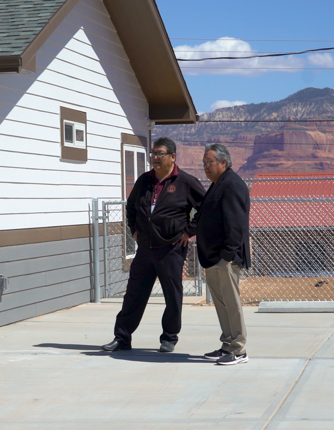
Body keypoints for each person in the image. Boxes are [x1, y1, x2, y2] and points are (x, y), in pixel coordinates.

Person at [102, 137, 206, 353]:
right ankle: (122, 337)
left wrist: (189, 231)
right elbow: (131, 206)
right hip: (145, 248)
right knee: (134, 294)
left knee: (172, 295)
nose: (155, 158)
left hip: (171, 249)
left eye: (160, 154)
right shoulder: (144, 181)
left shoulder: (185, 182)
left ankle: (169, 337)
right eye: (153, 154)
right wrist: (134, 230)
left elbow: (206, 207)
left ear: (173, 157)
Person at [195, 143, 251, 365]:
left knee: (231, 303)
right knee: (221, 304)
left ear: (223, 162)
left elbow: (236, 224)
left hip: (225, 259)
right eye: (204, 162)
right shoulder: (218, 184)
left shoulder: (232, 184)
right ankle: (228, 344)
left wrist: (227, 255)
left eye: (209, 162)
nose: (205, 166)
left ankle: (239, 350)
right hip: (213, 257)